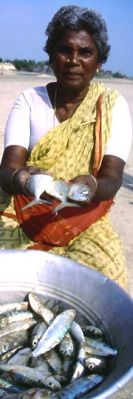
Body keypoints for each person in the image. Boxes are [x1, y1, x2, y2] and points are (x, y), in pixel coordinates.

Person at [0, 6, 132, 290]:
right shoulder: (29, 100)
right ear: (51, 56)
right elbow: (8, 169)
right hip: (21, 211)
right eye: (64, 50)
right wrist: (22, 179)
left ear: (99, 62)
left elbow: (112, 178)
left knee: (104, 280)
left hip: (82, 218)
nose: (73, 60)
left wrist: (90, 186)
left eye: (85, 52)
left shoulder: (112, 106)